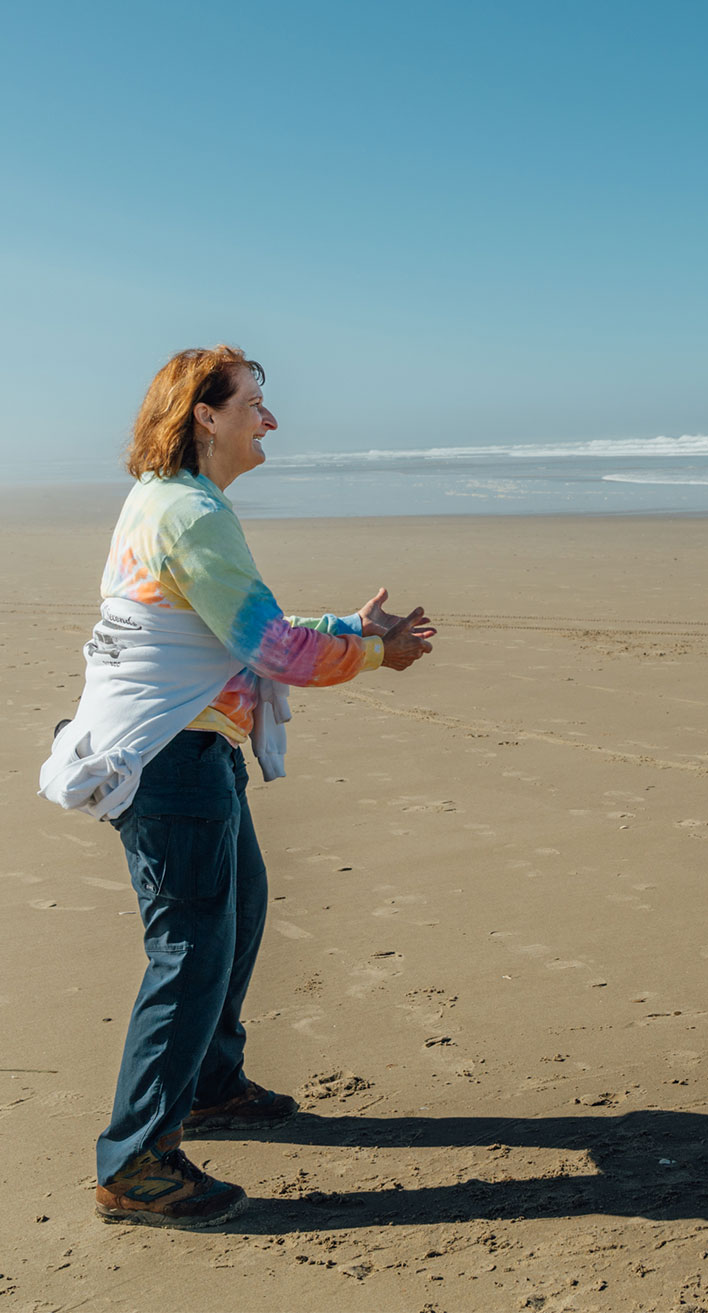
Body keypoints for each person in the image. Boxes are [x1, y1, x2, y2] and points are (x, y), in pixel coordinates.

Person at [39, 346, 437, 1228]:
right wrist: (375, 651)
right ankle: (137, 1163)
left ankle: (212, 1083)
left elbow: (231, 627)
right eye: (255, 402)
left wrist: (343, 624)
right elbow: (269, 650)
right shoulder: (188, 513)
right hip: (170, 755)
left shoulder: (178, 504)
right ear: (205, 416)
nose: (271, 419)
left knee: (240, 908)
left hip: (183, 745)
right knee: (189, 950)